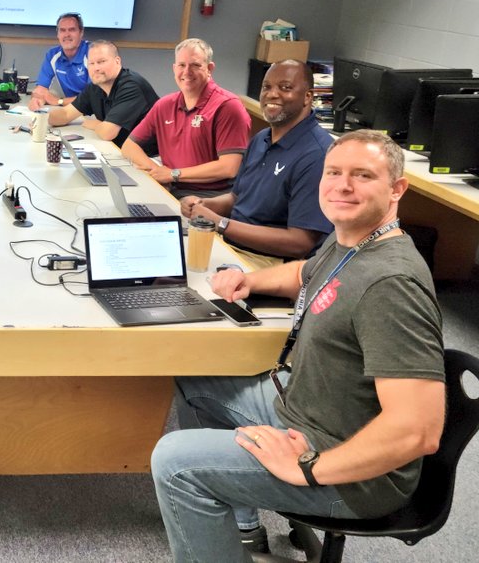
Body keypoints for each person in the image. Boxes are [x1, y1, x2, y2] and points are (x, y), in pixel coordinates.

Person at [151, 130, 445, 562]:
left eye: (363, 175)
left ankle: (214, 502)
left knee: (176, 463)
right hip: (304, 409)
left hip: (354, 474)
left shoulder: (391, 285)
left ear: (397, 189)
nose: (343, 185)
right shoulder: (352, 242)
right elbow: (304, 272)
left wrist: (307, 468)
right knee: (196, 376)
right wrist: (249, 279)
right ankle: (241, 526)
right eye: (333, 172)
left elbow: (417, 430)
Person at [179, 60, 333, 268]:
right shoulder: (261, 138)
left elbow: (300, 243)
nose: (272, 94)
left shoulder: (318, 155)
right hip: (231, 244)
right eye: (267, 87)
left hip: (269, 262)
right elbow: (237, 198)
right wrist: (203, 206)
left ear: (308, 97)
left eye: (285, 87)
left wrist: (221, 223)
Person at [122, 38, 251, 199]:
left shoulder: (228, 106)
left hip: (208, 197)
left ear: (209, 68)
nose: (187, 72)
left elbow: (229, 167)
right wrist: (158, 173)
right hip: (171, 188)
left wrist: (173, 174)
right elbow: (129, 146)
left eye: (195, 65)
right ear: (174, 69)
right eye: (182, 65)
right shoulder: (164, 105)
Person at [46, 40, 158, 149]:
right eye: (91, 63)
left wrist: (95, 124)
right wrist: (42, 118)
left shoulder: (131, 86)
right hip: (120, 149)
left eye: (101, 62)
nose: (96, 68)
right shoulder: (95, 87)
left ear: (117, 61)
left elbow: (108, 133)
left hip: (150, 155)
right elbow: (66, 114)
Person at [28, 12, 90, 110]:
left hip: (97, 112)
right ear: (58, 34)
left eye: (72, 30)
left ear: (81, 33)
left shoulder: (92, 53)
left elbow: (92, 98)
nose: (67, 35)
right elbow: (41, 89)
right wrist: (37, 99)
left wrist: (59, 101)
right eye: (62, 30)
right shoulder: (53, 55)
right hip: (72, 109)